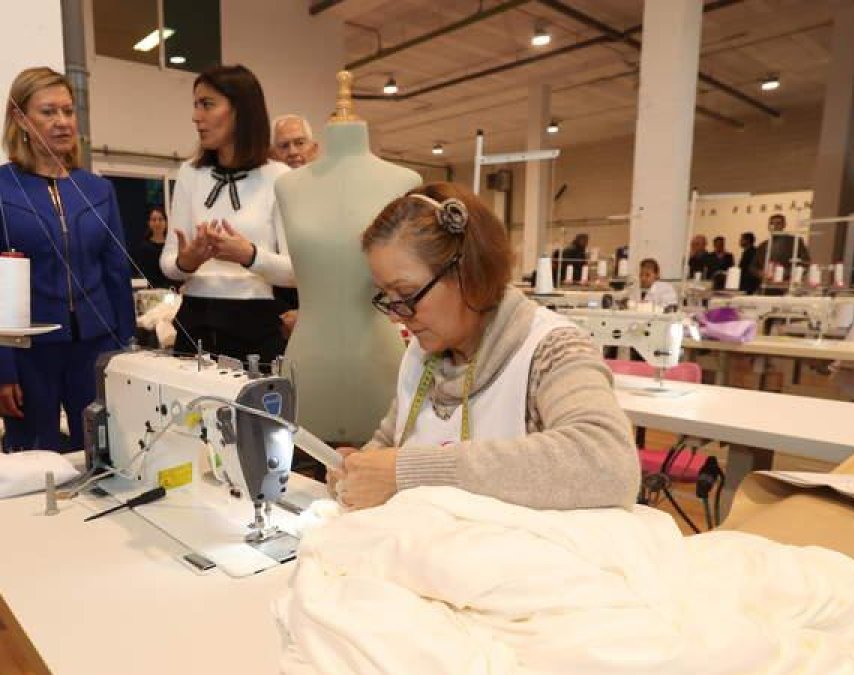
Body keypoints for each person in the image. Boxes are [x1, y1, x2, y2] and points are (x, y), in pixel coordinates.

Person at [328, 183, 639, 511]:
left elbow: (609, 465)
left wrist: (411, 472)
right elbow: (392, 445)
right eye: (386, 298)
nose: (396, 317)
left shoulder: (551, 350)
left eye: (406, 295)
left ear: (469, 272)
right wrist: (359, 468)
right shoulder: (422, 355)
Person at [0, 67, 134, 452]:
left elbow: (116, 274)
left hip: (96, 348)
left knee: (103, 454)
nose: (62, 122)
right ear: (20, 119)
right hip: (28, 352)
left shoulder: (98, 189)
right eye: (48, 112)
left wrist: (126, 349)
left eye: (68, 111)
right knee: (33, 461)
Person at [160, 64, 295, 365]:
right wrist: (188, 261)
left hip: (256, 325)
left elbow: (296, 272)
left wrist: (249, 255)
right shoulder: (189, 174)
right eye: (195, 105)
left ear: (241, 110)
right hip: (194, 321)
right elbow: (169, 263)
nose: (196, 116)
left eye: (207, 104)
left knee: (254, 413)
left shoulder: (280, 177)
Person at [270, 114, 318, 336]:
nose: (292, 152)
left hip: (322, 311)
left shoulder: (332, 196)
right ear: (272, 154)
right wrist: (281, 313)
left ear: (314, 148)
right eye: (284, 146)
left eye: (299, 142)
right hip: (276, 315)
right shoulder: (263, 200)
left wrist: (311, 313)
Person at [755, 214, 809, 289]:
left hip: (787, 284)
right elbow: (753, 266)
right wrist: (760, 273)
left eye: (778, 223)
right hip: (767, 285)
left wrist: (787, 273)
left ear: (784, 225)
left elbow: (805, 262)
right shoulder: (763, 245)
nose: (774, 226)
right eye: (771, 223)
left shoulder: (795, 241)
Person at [134, 205, 171, 288]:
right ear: (149, 223)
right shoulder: (143, 248)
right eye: (154, 220)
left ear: (166, 223)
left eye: (160, 219)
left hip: (172, 291)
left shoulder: (171, 245)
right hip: (152, 290)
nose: (157, 223)